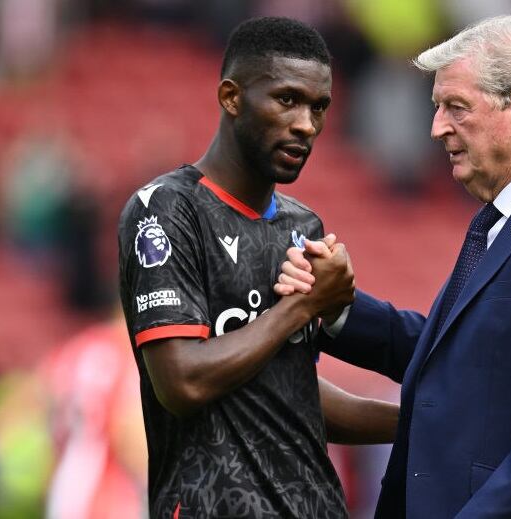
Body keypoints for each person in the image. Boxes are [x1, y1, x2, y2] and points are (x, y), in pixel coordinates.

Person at [277, 15, 511, 518]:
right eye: (437, 108)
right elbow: (459, 357)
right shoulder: (509, 214)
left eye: (456, 107)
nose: (436, 128)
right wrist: (338, 309)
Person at [117, 17, 398, 518]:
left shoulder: (303, 226)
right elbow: (182, 383)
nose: (306, 125)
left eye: (319, 107)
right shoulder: (165, 211)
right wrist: (303, 307)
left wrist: (417, 422)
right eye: (287, 99)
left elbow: (292, 390)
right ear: (231, 97)